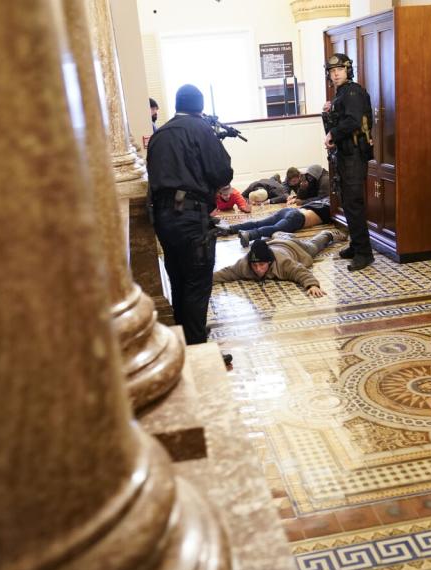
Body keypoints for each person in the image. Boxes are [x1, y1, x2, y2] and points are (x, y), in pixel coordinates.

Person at [147, 84, 234, 365]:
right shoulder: (200, 130)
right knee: (197, 285)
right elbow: (221, 170)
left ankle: (186, 346)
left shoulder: (160, 135)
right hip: (191, 218)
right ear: (199, 107)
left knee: (179, 281)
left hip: (163, 220)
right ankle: (199, 357)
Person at [323, 53, 375, 271]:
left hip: (353, 155)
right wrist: (329, 111)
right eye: (332, 71)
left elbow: (352, 121)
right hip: (345, 155)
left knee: (354, 204)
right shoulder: (341, 94)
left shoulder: (352, 91)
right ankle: (356, 245)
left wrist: (332, 133)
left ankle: (364, 253)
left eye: (340, 70)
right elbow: (342, 117)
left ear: (348, 70)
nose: (336, 74)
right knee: (348, 202)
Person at [213, 230, 347, 298]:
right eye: (255, 265)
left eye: (262, 265)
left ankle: (328, 234)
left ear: (270, 262)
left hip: (294, 248)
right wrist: (206, 280)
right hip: (275, 244)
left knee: (314, 246)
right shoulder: (244, 264)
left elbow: (299, 271)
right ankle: (279, 235)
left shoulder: (283, 263)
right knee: (279, 237)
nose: (258, 269)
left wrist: (312, 285)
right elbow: (227, 272)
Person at [220, 198, 333, 247]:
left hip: (290, 210)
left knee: (259, 222)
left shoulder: (321, 202)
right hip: (298, 218)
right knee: (275, 228)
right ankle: (250, 234)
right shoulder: (333, 209)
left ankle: (231, 228)